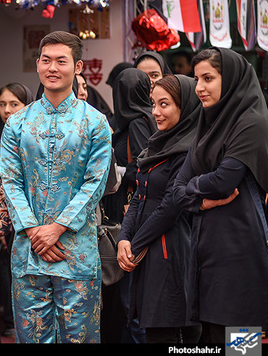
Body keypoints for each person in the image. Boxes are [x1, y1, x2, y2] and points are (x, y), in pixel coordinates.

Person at [0, 31, 112, 343]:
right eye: (46, 60)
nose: (53, 67)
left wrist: (58, 227)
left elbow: (96, 182)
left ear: (77, 67)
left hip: (76, 251)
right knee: (31, 336)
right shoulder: (17, 124)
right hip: (29, 250)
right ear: (37, 65)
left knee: (80, 337)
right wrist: (34, 229)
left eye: (61, 61)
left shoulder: (95, 122)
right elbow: (10, 180)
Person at [172, 47, 268, 343]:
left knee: (241, 340)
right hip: (207, 247)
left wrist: (192, 189)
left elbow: (225, 180)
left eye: (208, 78)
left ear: (232, 80)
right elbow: (176, 190)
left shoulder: (251, 122)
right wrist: (198, 197)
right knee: (211, 338)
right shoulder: (208, 123)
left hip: (240, 249)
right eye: (197, 78)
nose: (199, 87)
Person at [116, 74, 202, 343]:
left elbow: (171, 206)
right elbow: (139, 196)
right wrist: (123, 240)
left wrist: (135, 245)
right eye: (153, 104)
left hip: (174, 252)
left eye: (164, 104)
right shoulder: (157, 143)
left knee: (183, 329)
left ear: (184, 106)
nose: (155, 112)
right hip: (151, 251)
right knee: (158, 327)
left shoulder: (192, 150)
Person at [100, 68, 157, 344]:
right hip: (133, 210)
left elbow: (144, 166)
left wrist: (116, 171)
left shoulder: (136, 123)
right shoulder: (144, 118)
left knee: (130, 295)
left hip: (130, 211)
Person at [0, 82, 34, 340]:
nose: (7, 110)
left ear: (27, 105)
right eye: (3, 104)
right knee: (8, 270)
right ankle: (10, 319)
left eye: (14, 104)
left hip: (30, 216)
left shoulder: (35, 135)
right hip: (4, 217)